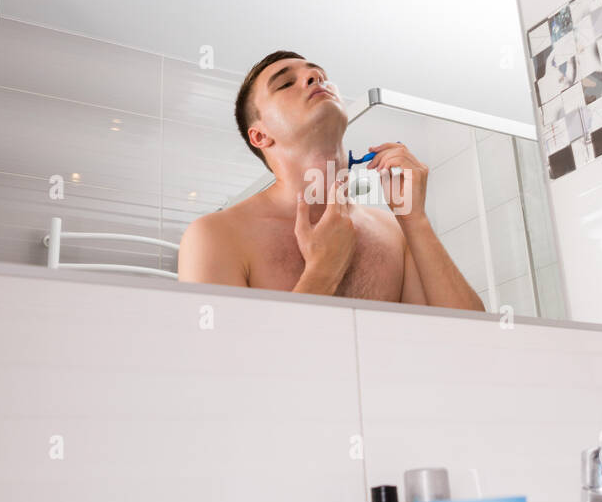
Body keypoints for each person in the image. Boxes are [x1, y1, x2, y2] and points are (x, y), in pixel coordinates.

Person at [177, 50, 485, 311]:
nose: (314, 77)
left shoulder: (394, 231)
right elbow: (220, 361)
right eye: (286, 83)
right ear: (260, 135)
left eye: (319, 75)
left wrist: (415, 220)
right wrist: (323, 271)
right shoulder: (215, 236)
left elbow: (474, 341)